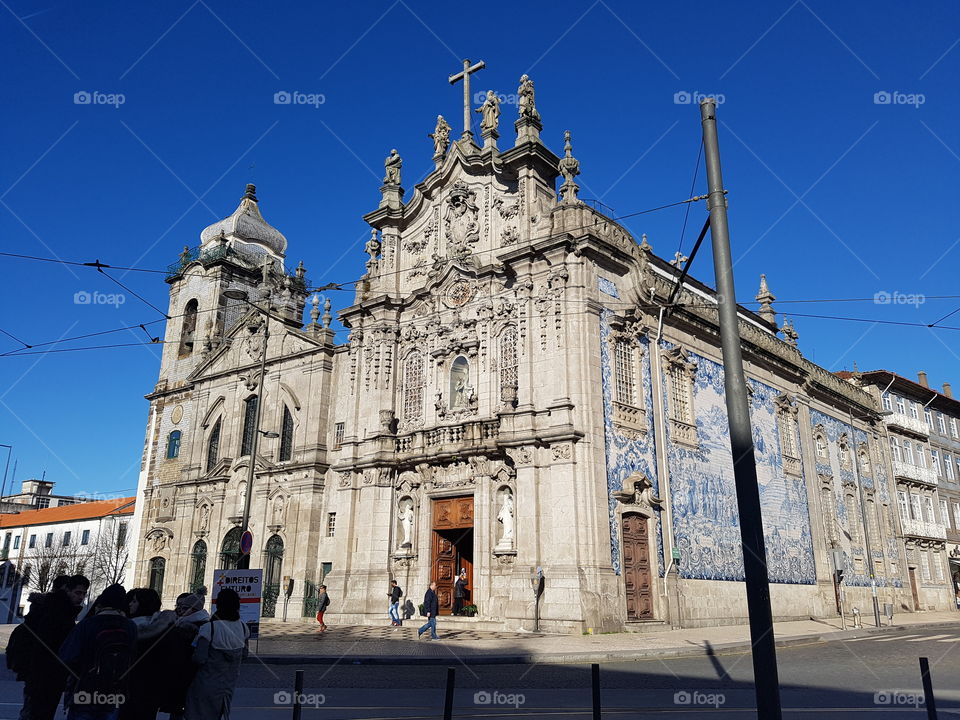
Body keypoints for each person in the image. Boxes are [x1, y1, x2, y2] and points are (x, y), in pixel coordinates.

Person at [10, 574, 89, 720]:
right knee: (37, 713)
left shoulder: (62, 610)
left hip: (47, 677)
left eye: (84, 594)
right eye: (78, 593)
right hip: (44, 677)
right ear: (68, 591)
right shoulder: (57, 612)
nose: (81, 598)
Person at [59, 583, 137, 720]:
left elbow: (67, 656)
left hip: (85, 689)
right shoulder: (130, 626)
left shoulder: (88, 624)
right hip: (115, 692)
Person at [184, 589, 250, 720]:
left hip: (206, 683)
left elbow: (199, 658)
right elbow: (244, 655)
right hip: (228, 685)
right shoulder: (243, 627)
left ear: (218, 605)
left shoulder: (209, 629)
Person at [119, 588, 174, 720]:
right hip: (151, 692)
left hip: (132, 689)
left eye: (134, 601)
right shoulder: (165, 628)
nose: (130, 604)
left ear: (143, 603)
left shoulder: (128, 629)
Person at [157, 589, 210, 720]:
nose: (180, 610)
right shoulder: (182, 623)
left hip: (189, 673)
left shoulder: (198, 626)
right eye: (179, 606)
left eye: (185, 607)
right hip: (181, 673)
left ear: (194, 609)